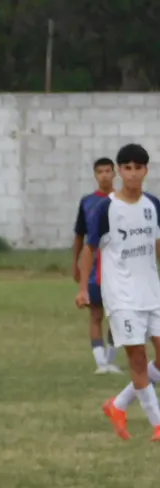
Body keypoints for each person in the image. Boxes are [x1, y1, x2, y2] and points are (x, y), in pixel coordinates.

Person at [76, 144, 160, 440]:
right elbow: (89, 248)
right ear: (120, 171)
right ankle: (158, 424)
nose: (133, 173)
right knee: (137, 357)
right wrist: (84, 287)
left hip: (152, 292)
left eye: (139, 168)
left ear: (146, 170)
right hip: (122, 296)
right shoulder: (106, 208)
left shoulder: (153, 204)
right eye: (127, 168)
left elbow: (157, 244)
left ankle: (119, 403)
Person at [73, 157, 121, 374]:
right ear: (95, 175)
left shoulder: (122, 201)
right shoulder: (87, 202)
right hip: (94, 269)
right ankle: (101, 363)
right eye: (100, 172)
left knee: (118, 315)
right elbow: (79, 236)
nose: (104, 175)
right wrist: (76, 265)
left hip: (118, 267)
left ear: (114, 173)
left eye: (108, 171)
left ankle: (111, 360)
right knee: (96, 314)